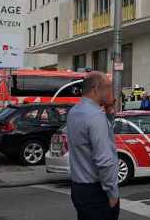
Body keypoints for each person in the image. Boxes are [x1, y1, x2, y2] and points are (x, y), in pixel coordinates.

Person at [66, 71, 119, 220]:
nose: (112, 92)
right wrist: (112, 193)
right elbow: (104, 161)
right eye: (108, 87)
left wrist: (109, 111)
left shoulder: (74, 112)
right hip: (97, 191)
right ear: (96, 89)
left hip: (79, 188)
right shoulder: (95, 116)